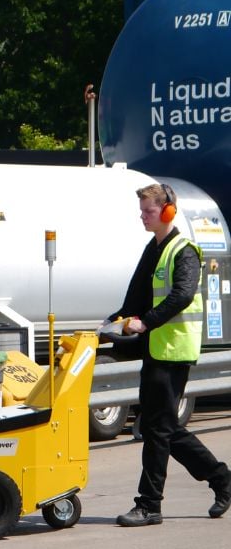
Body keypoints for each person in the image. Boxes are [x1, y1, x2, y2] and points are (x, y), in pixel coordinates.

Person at [107, 183, 231, 526]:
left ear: (168, 211)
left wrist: (145, 323)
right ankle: (221, 477)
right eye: (142, 210)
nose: (143, 216)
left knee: (158, 429)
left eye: (149, 210)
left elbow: (182, 295)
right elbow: (137, 297)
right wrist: (112, 323)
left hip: (173, 350)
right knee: (161, 427)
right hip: (156, 349)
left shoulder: (183, 250)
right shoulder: (154, 248)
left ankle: (149, 505)